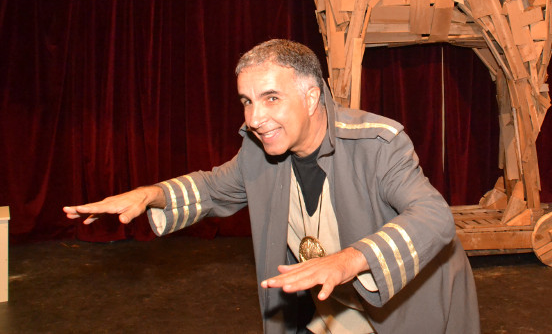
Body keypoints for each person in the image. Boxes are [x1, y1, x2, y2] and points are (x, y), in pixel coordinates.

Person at [64, 39, 480, 334]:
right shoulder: (257, 153)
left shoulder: (377, 143)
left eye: (271, 98)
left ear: (311, 98)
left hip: (412, 301)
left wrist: (350, 259)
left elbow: (434, 216)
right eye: (247, 101)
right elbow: (212, 189)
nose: (254, 119)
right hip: (343, 305)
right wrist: (149, 194)